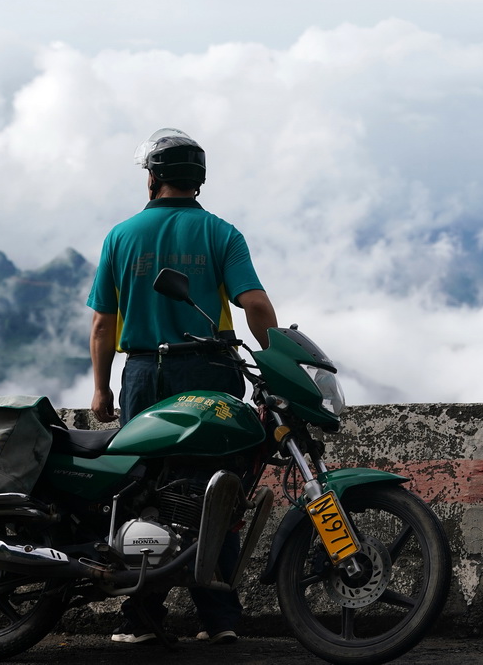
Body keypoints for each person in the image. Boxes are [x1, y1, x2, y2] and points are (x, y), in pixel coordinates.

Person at [86, 128, 278, 645]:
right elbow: (255, 304)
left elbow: (103, 323)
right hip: (209, 372)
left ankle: (143, 618)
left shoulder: (121, 236)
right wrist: (275, 361)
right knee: (216, 491)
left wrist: (102, 389)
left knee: (142, 490)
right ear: (198, 180)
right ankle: (220, 619)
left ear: (153, 178)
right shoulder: (221, 233)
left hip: (145, 374)